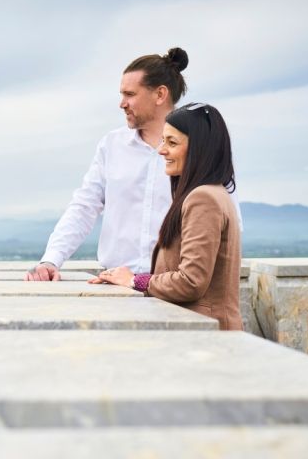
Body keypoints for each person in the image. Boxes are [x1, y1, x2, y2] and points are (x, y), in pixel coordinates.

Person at [25, 48, 189, 281]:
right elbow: (84, 206)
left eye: (130, 94)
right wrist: (52, 259)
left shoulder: (199, 147)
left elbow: (221, 217)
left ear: (160, 94)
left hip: (174, 288)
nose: (122, 103)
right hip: (115, 286)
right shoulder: (112, 145)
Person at [94, 103, 243, 331]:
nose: (161, 150)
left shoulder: (204, 198)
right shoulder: (213, 193)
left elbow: (191, 281)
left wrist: (134, 280)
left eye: (172, 143)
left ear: (199, 149)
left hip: (205, 337)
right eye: (164, 140)